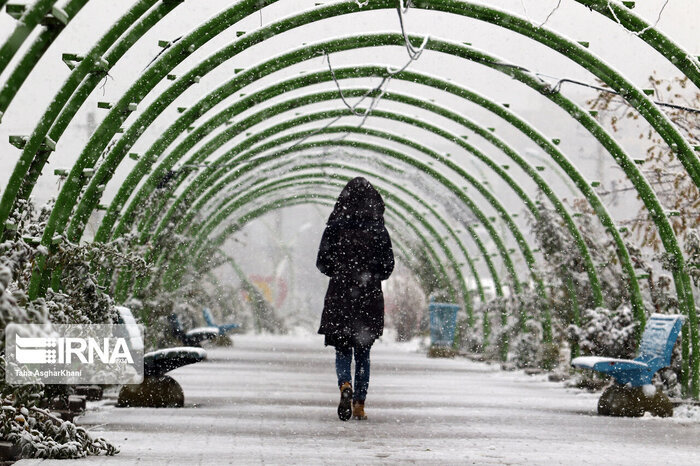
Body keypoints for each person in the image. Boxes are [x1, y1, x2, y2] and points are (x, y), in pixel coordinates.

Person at [316, 177, 395, 421]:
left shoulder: (336, 225)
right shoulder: (378, 229)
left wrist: (341, 273)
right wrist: (370, 277)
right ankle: (360, 403)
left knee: (342, 349)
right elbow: (388, 265)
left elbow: (322, 262)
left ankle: (344, 385)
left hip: (340, 294)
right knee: (363, 351)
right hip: (368, 296)